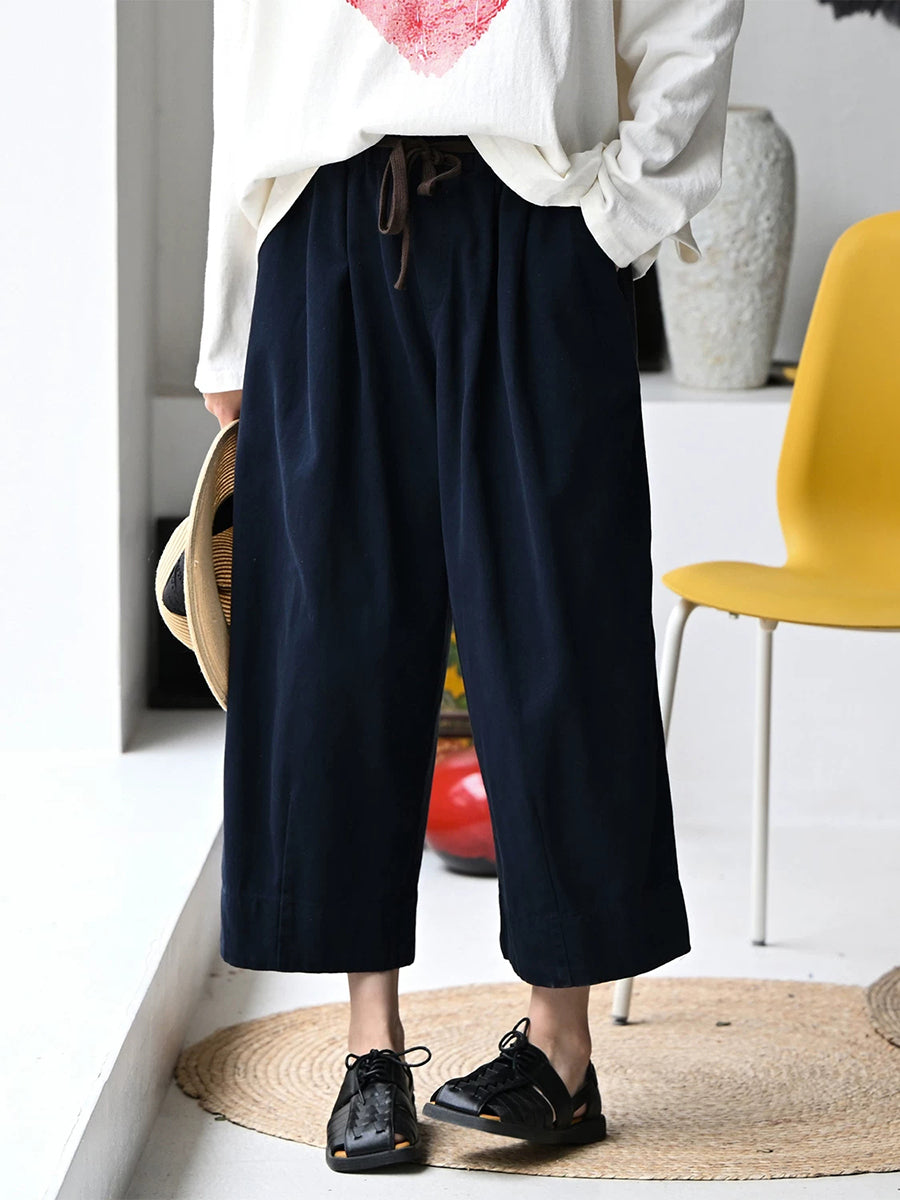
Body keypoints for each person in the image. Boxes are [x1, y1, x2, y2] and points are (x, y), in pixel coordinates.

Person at [195, 0, 745, 1173]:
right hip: (324, 222)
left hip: (539, 217)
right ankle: (369, 1048)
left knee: (560, 634)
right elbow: (248, 38)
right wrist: (231, 318)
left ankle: (562, 1049)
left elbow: (692, 13)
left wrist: (622, 212)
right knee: (332, 647)